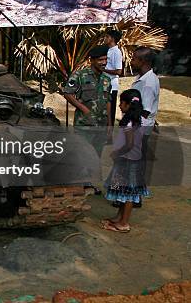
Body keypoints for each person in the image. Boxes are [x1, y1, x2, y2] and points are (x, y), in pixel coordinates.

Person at [62, 45, 112, 191]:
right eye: (100, 59)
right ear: (92, 60)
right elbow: (68, 93)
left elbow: (108, 100)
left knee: (96, 156)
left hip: (101, 125)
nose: (104, 62)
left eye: (105, 59)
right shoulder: (79, 75)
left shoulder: (107, 79)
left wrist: (109, 123)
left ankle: (89, 183)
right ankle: (77, 183)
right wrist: (83, 108)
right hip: (84, 125)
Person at [101, 89, 149, 233]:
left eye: (122, 102)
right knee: (124, 190)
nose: (120, 105)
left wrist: (116, 153)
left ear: (128, 105)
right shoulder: (141, 119)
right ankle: (119, 217)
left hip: (128, 161)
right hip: (135, 159)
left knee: (128, 193)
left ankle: (124, 223)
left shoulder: (129, 122)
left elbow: (129, 144)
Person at [130, 47, 160, 186]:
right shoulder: (141, 78)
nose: (131, 61)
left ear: (143, 61)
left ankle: (135, 197)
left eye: (134, 58)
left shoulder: (148, 83)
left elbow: (145, 111)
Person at [103, 29, 123, 130]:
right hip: (105, 85)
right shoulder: (108, 50)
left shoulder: (116, 52)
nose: (105, 39)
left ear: (112, 39)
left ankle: (109, 136)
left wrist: (104, 70)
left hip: (112, 86)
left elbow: (119, 71)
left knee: (110, 112)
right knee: (104, 112)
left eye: (107, 37)